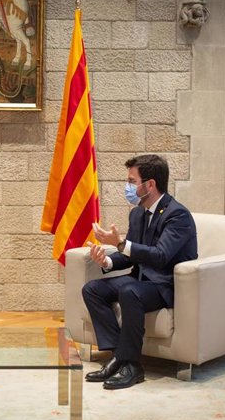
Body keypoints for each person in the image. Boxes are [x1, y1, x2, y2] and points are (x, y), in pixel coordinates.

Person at [82, 154, 197, 390]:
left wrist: (122, 243)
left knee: (129, 290)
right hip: (141, 280)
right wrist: (106, 261)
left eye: (132, 181)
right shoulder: (137, 213)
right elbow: (130, 255)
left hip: (165, 284)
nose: (128, 187)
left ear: (150, 184)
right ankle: (119, 357)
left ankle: (134, 367)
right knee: (92, 289)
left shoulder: (178, 215)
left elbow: (161, 255)